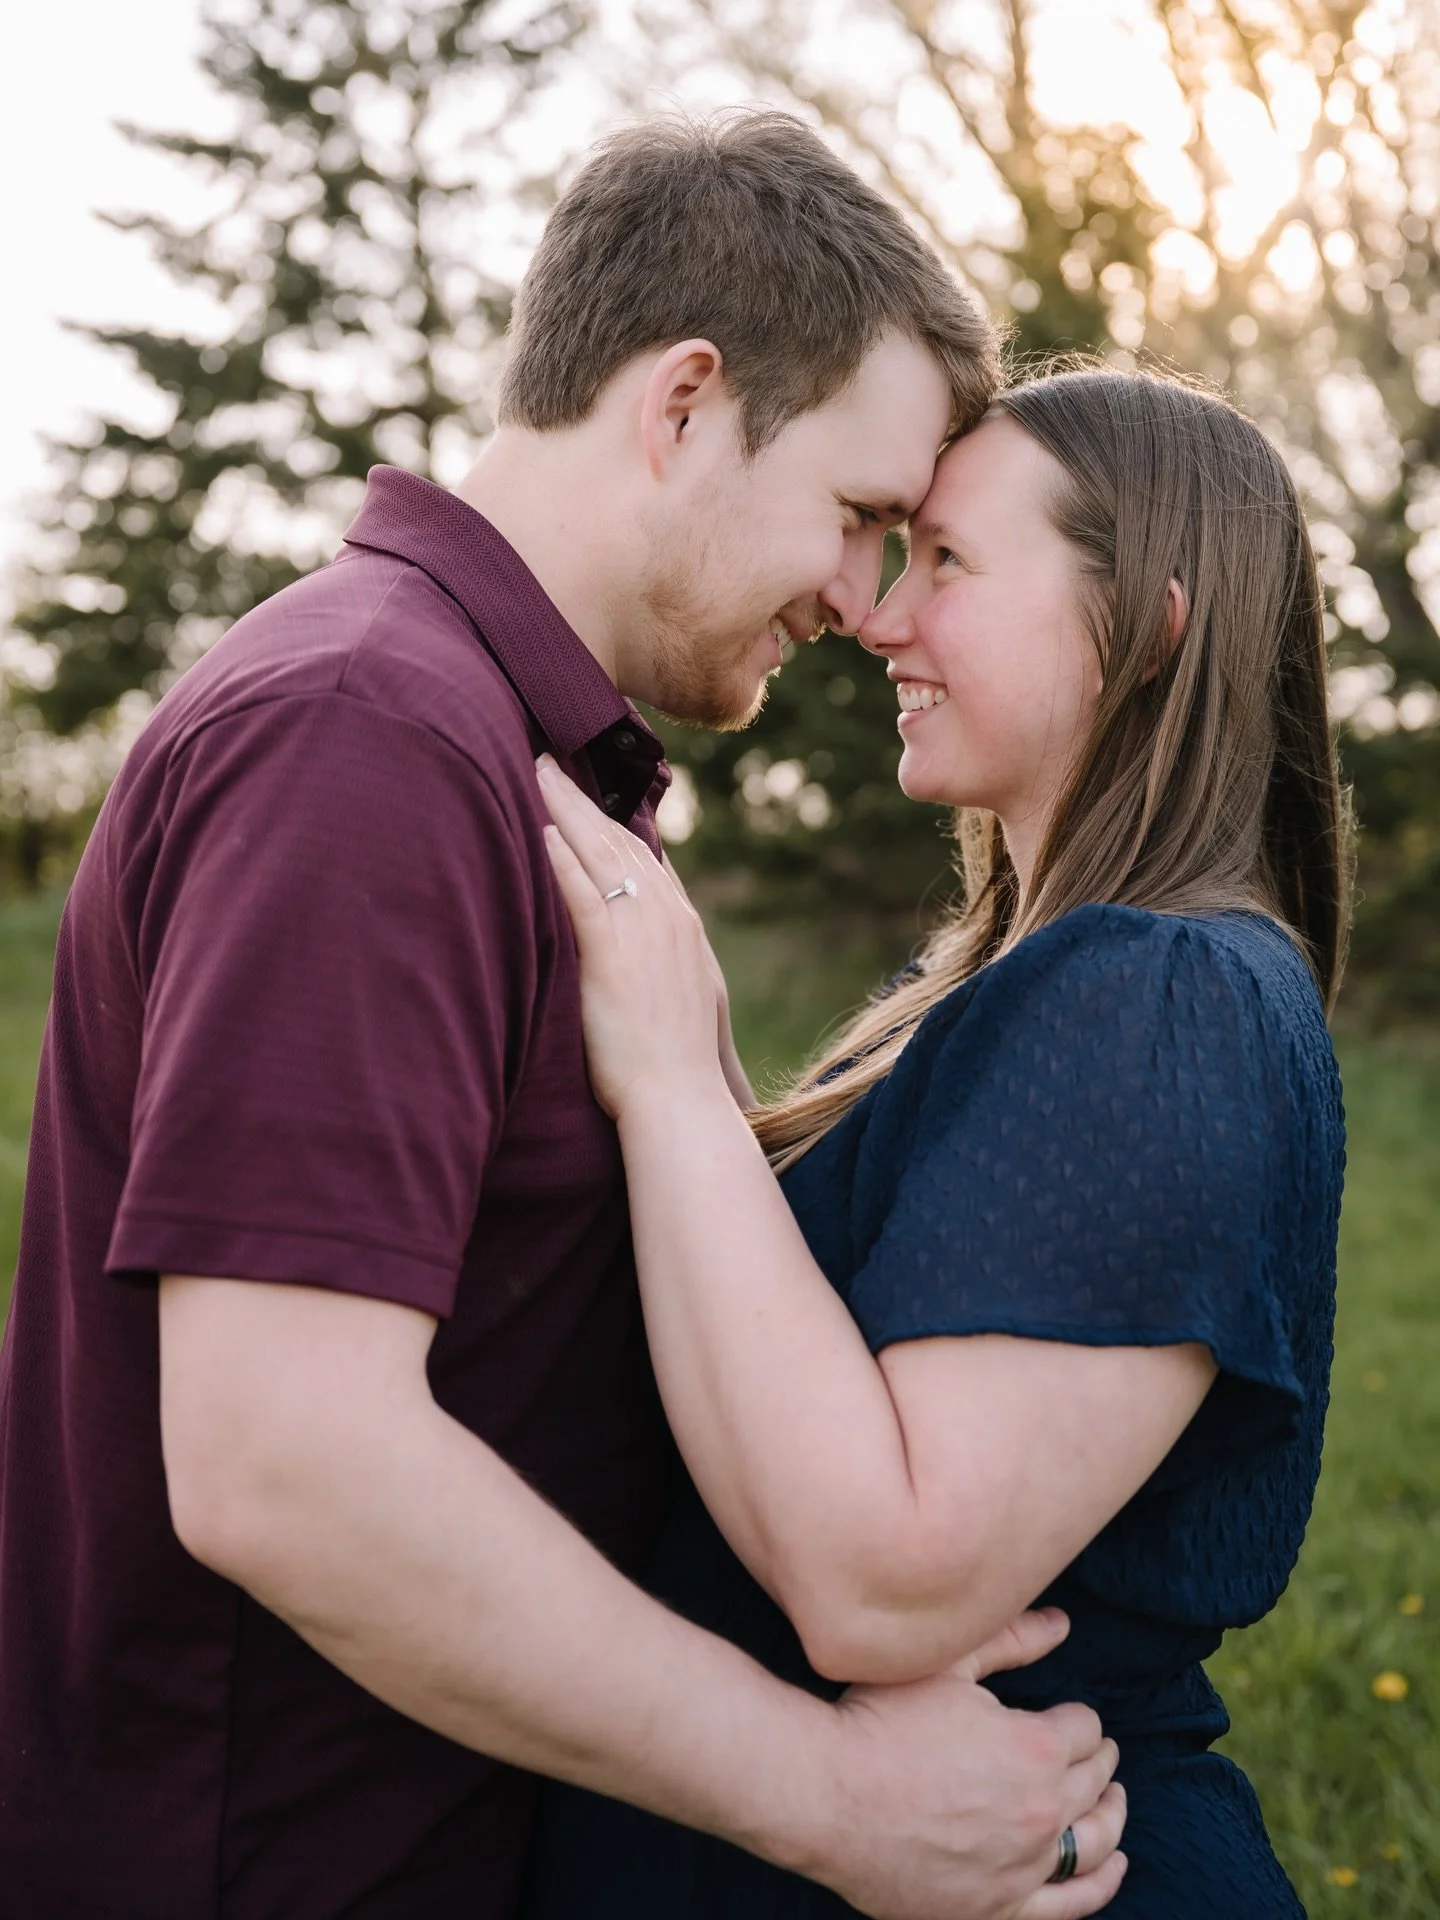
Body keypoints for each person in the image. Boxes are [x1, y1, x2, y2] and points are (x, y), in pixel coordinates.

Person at [0, 115, 1127, 1919]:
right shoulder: (365, 734)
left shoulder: (510, 756)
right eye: (854, 518)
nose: (861, 602)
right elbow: (288, 1461)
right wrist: (837, 1797)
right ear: (683, 403)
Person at [528, 364, 1349, 1917]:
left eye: (950, 563)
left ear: (1152, 623)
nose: (881, 617)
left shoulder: (1163, 996)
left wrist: (677, 1092)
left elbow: (878, 1580)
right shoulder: (1021, 981)